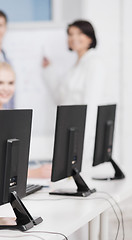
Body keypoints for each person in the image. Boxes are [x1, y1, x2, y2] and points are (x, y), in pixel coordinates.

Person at [42, 20, 110, 166]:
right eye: (70, 34)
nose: (74, 38)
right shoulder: (75, 66)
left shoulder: (94, 63)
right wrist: (49, 70)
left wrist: (83, 144)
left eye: (79, 33)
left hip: (83, 137)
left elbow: (92, 105)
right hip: (71, 132)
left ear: (90, 38)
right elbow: (60, 99)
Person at [0, 62, 51, 179]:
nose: (6, 88)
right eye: (0, 83)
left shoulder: (7, 116)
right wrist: (33, 173)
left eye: (11, 83)